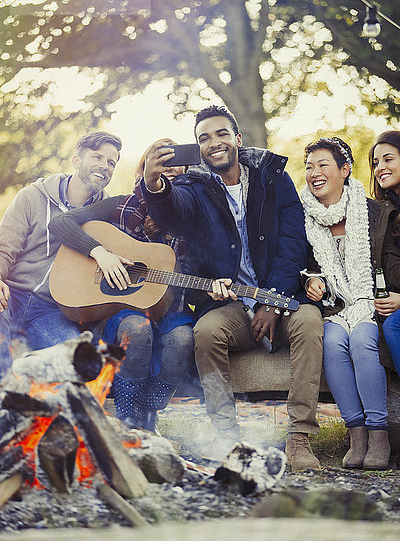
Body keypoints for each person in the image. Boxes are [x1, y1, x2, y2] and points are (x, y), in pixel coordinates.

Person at [142, 105, 323, 468]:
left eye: (221, 133)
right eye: (204, 138)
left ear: (237, 139)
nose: (214, 143)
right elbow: (172, 211)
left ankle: (299, 438)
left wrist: (274, 302)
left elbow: (292, 243)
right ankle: (226, 435)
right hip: (232, 305)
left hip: (282, 297)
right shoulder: (193, 186)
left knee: (310, 321)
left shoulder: (273, 177)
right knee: (206, 332)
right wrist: (154, 184)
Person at [49, 140, 195, 433]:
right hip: (122, 309)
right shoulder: (120, 205)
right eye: (163, 167)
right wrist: (99, 252)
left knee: (183, 340)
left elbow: (202, 271)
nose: (170, 175)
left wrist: (215, 285)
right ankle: (130, 417)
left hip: (170, 311)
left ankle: (148, 408)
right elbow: (61, 223)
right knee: (136, 329)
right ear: (146, 170)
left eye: (178, 172)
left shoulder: (192, 218)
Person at [301, 136, 394, 470]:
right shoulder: (303, 217)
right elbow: (302, 265)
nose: (314, 173)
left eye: (323, 165)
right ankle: (357, 433)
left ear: (345, 170)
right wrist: (311, 281)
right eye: (309, 167)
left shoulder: (373, 211)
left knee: (362, 340)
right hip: (333, 307)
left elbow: (388, 262)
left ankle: (378, 433)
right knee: (333, 342)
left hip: (369, 300)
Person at [0, 131, 122, 377]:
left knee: (76, 361)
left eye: (111, 162)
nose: (104, 166)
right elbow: (4, 248)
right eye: (97, 157)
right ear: (76, 160)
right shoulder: (32, 196)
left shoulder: (107, 214)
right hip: (10, 297)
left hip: (50, 311)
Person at [369, 130, 400, 378]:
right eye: (376, 163)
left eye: (388, 159)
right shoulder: (386, 212)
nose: (380, 168)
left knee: (394, 325)